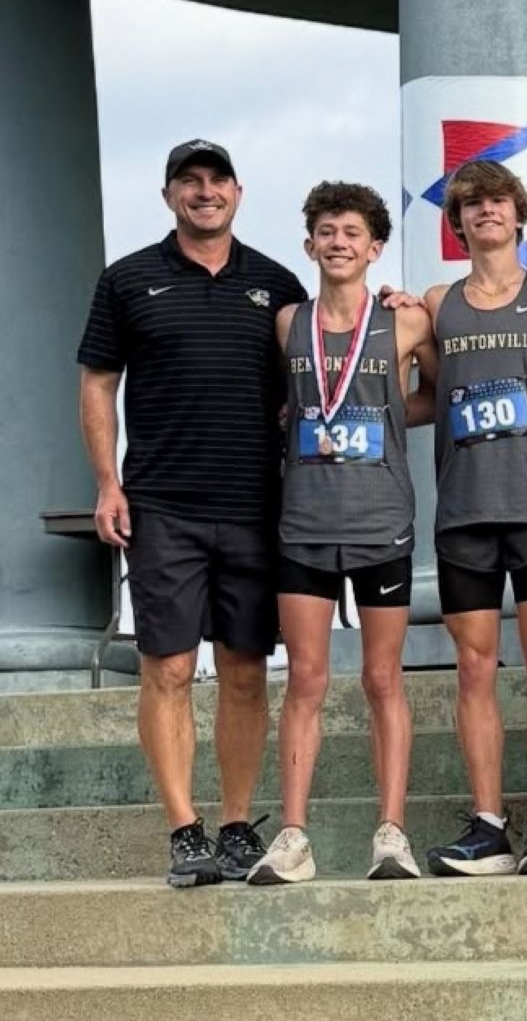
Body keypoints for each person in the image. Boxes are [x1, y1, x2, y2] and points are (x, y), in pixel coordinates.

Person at [77, 140, 302, 887]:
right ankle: (184, 830)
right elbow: (98, 384)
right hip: (162, 506)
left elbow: (325, 360)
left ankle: (236, 827)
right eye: (189, 182)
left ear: (238, 191)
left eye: (216, 182)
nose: (205, 193)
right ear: (170, 194)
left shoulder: (276, 283)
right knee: (168, 667)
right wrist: (108, 483)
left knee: (243, 670)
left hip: (255, 505)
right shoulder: (128, 279)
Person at [247, 182, 437, 884]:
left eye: (352, 233)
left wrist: (384, 415)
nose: (338, 243)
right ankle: (292, 836)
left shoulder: (408, 322)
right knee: (305, 679)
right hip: (303, 524)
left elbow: (438, 393)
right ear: (309, 244)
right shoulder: (286, 322)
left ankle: (391, 835)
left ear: (375, 248)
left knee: (382, 677)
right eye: (326, 231)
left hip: (380, 520)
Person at [421, 160, 527, 876]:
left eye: (497, 202)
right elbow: (418, 395)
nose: (486, 212)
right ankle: (489, 822)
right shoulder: (432, 303)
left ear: (520, 215)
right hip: (463, 511)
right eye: (472, 204)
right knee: (475, 667)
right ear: (456, 223)